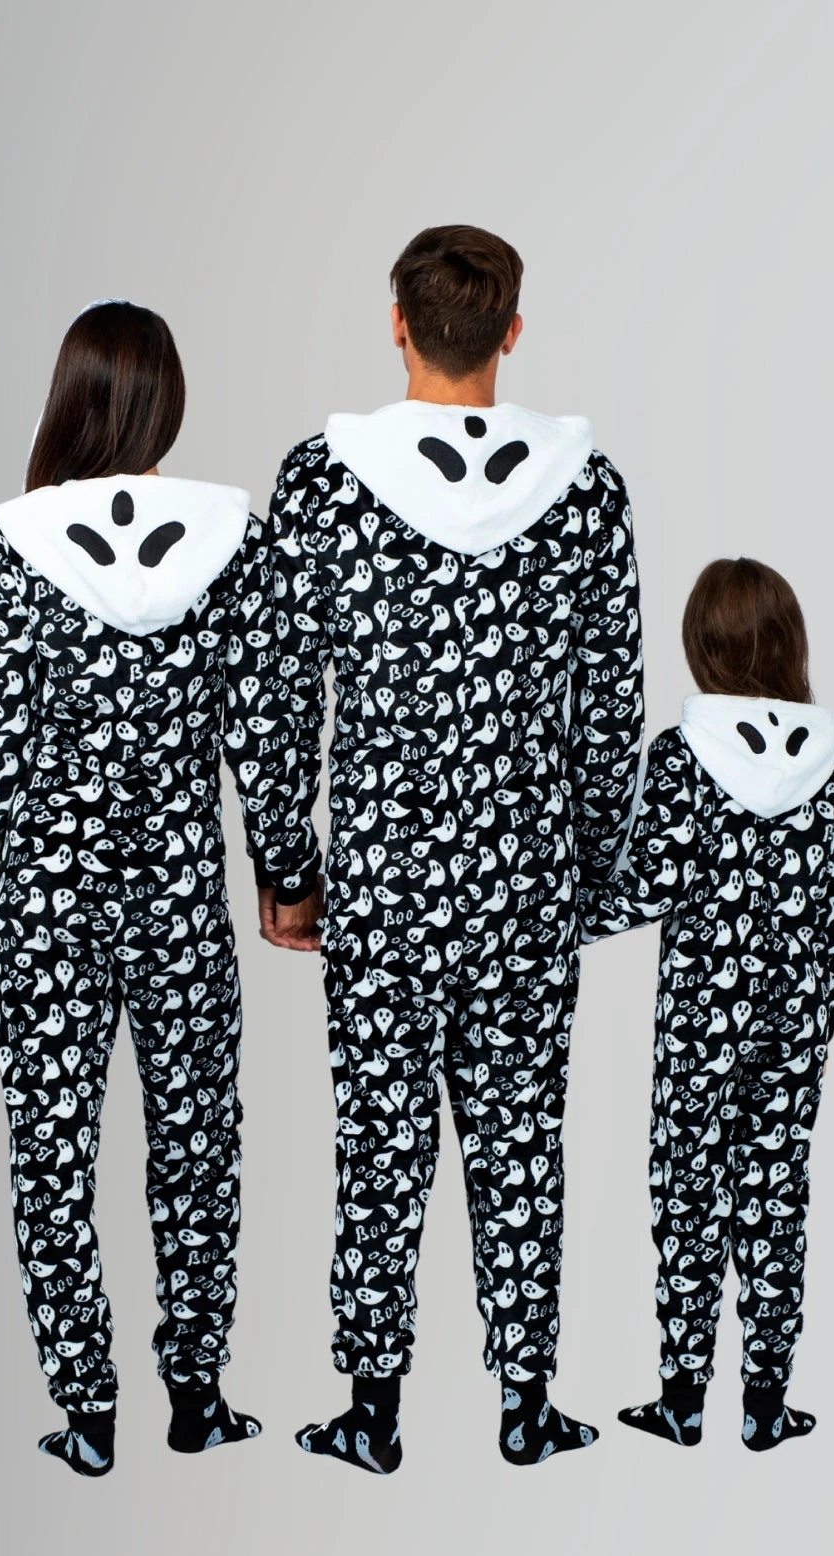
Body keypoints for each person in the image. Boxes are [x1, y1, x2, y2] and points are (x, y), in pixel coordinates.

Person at [260, 225, 644, 1471]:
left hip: (382, 879)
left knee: (379, 1139)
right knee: (523, 1136)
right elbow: (611, 709)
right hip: (526, 879)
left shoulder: (324, 480)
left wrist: (288, 867)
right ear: (512, 333)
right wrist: (595, 873)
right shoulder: (586, 490)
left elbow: (278, 700)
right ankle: (527, 1404)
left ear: (398, 325)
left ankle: (372, 1413)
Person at [0, 300, 319, 1476]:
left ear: (71, 398)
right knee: (198, 1145)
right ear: (168, 400)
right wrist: (287, 876)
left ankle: (87, 1412)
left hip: (48, 905)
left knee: (51, 1157)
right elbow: (268, 732)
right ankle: (197, 1394)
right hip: (177, 897)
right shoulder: (232, 539)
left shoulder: (20, 541)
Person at [581, 558, 834, 1450]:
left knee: (687, 1192)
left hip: (703, 1016)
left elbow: (650, 884)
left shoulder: (685, 754)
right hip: (793, 1019)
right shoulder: (830, 768)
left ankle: (683, 1399)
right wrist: (822, 1019)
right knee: (776, 1198)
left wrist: (562, 919)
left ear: (705, 645)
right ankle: (767, 1407)